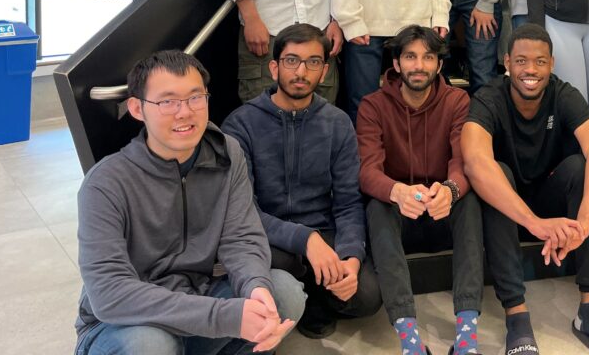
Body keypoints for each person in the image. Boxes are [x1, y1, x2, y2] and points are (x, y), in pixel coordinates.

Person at [75, 50, 304, 355]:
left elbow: (241, 237)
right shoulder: (106, 182)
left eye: (196, 97)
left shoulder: (227, 153)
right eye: (167, 101)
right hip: (125, 323)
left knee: (283, 294)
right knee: (150, 346)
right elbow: (109, 293)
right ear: (137, 108)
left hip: (198, 293)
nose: (184, 112)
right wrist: (222, 317)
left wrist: (255, 286)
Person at [461, 24, 589, 355]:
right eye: (522, 61)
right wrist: (532, 223)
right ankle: (517, 317)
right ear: (507, 62)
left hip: (547, 192)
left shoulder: (564, 94)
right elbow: (474, 163)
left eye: (540, 62)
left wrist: (583, 224)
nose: (531, 70)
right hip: (508, 202)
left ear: (551, 64)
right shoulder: (488, 98)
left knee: (582, 169)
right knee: (495, 174)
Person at [222, 24, 382, 339]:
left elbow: (349, 201)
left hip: (325, 232)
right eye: (292, 61)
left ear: (323, 72)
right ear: (274, 67)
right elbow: (241, 210)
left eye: (312, 62)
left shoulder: (337, 123)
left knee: (367, 297)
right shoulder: (241, 125)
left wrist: (351, 256)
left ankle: (314, 288)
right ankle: (306, 297)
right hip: (269, 234)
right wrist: (306, 240)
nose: (301, 71)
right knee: (276, 264)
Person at [357, 25, 484, 355]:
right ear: (396, 64)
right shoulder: (373, 106)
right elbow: (367, 169)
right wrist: (396, 191)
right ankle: (410, 341)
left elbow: (464, 159)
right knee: (377, 205)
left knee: (469, 201)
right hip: (403, 214)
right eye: (410, 57)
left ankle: (467, 337)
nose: (419, 65)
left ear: (439, 65)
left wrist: (451, 190)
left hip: (441, 210)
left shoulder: (458, 100)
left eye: (428, 57)